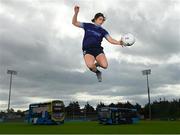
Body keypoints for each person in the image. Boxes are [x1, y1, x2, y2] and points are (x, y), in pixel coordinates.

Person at [72, 5, 124, 82]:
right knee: (90, 65)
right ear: (95, 19)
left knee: (105, 65)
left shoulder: (103, 31)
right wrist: (76, 12)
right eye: (100, 19)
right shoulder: (88, 25)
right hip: (88, 49)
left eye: (103, 20)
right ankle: (97, 72)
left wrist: (119, 42)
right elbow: (74, 23)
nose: (102, 21)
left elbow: (110, 39)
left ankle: (96, 65)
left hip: (98, 49)